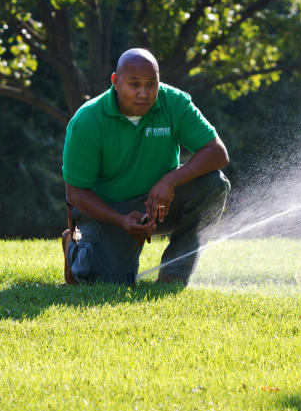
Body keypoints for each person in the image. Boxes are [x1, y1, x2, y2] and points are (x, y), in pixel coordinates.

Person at [61, 48, 230, 285]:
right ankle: (73, 244)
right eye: (135, 84)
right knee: (104, 283)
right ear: (115, 82)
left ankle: (175, 273)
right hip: (109, 211)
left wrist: (170, 181)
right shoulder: (87, 120)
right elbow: (75, 193)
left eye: (152, 84)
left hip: (160, 204)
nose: (144, 93)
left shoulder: (175, 103)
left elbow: (217, 152)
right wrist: (120, 221)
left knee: (215, 184)